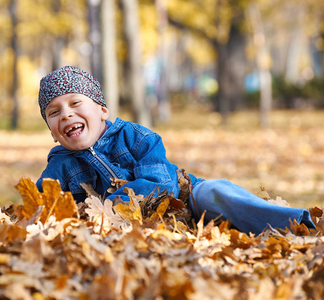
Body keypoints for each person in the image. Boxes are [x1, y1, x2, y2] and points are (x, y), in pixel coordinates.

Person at [36, 65, 315, 235]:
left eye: (75, 103)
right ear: (52, 131)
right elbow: (43, 207)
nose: (66, 115)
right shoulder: (59, 166)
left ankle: (296, 222)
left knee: (215, 193)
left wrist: (107, 209)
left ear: (103, 110)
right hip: (135, 226)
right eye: (54, 112)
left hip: (184, 196)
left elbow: (161, 184)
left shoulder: (136, 137)